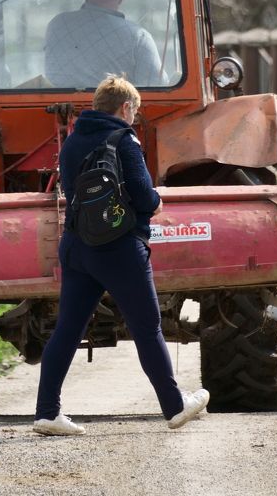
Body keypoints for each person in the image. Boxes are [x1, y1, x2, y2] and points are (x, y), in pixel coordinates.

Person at [33, 75, 209, 436]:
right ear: (125, 107)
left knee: (67, 329)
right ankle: (175, 406)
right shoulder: (123, 139)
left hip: (77, 246)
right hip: (120, 249)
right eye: (135, 111)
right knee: (147, 327)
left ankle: (47, 412)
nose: (134, 117)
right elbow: (143, 195)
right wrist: (156, 202)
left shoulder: (72, 140)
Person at [44, 0, 164, 89]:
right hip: (112, 103)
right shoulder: (139, 36)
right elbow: (158, 86)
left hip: (56, 103)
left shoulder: (57, 24)